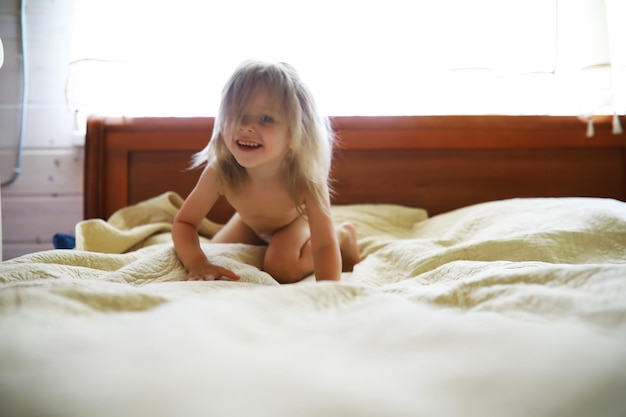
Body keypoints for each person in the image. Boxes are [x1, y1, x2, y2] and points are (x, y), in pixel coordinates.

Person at [172, 60, 360, 284]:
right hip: (249, 223)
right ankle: (264, 243)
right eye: (237, 114)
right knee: (219, 251)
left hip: (292, 222)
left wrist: (328, 294)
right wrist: (197, 262)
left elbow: (323, 245)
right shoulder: (221, 171)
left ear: (294, 134)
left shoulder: (305, 178)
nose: (246, 126)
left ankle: (344, 235)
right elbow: (185, 224)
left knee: (281, 268)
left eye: (266, 119)